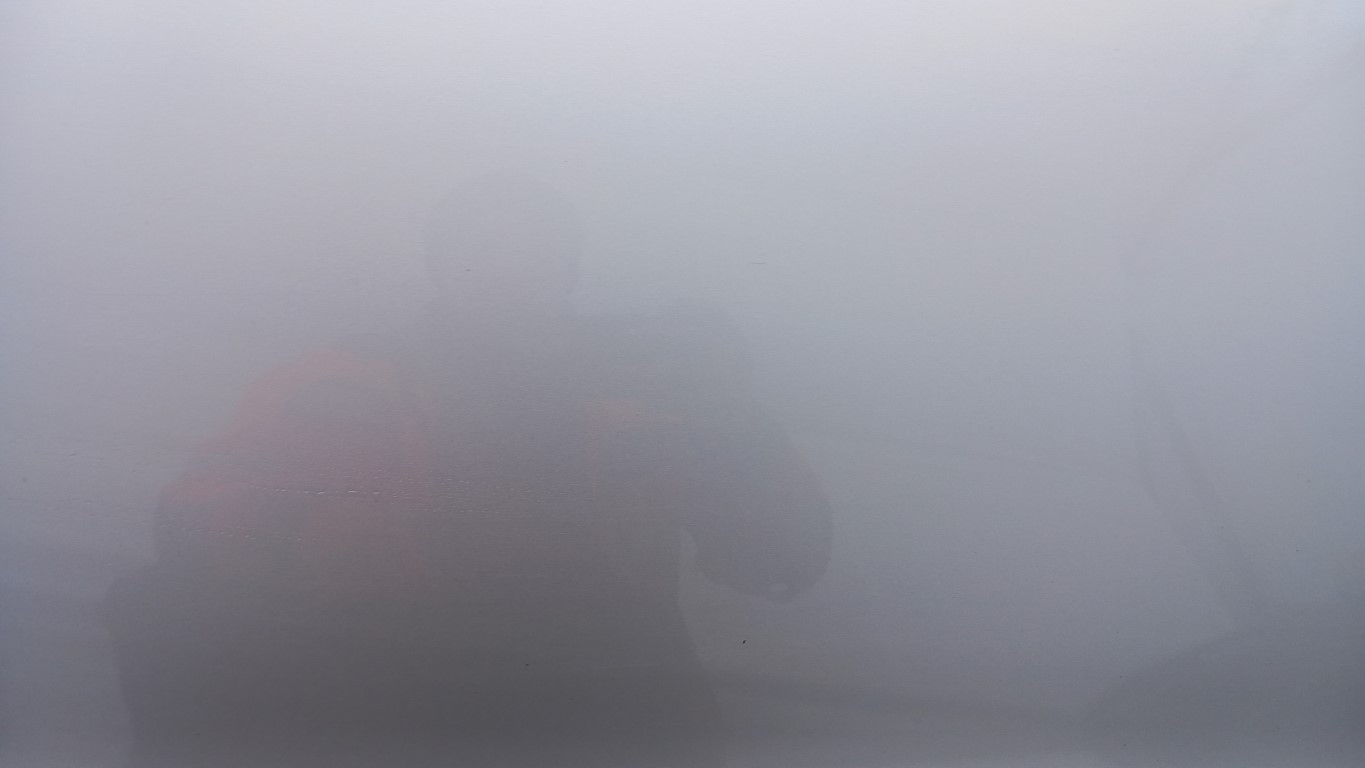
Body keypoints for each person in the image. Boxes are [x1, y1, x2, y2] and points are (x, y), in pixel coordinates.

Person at [104, 174, 834, 767]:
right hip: (402, 709)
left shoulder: (646, 400)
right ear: (438, 266)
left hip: (609, 715)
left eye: (533, 253)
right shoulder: (344, 388)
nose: (507, 273)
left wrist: (734, 419)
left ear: (569, 269)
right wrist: (326, 539)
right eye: (483, 252)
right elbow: (189, 527)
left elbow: (779, 559)